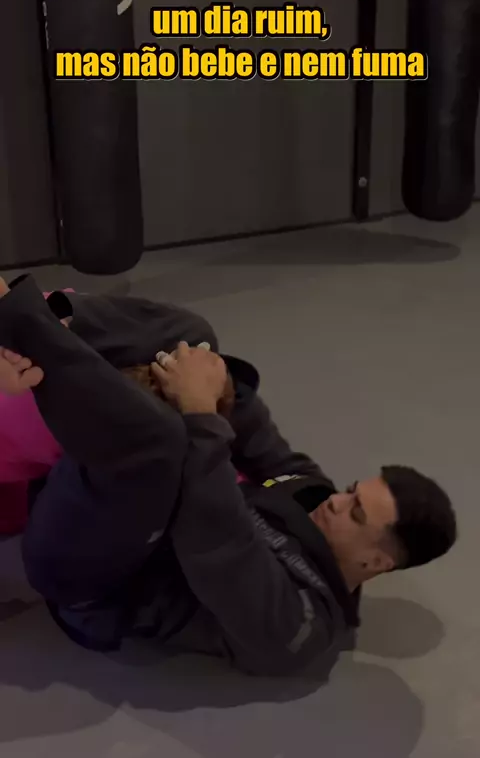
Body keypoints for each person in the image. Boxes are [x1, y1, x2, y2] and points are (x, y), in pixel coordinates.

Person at [0, 274, 457, 676]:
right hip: (116, 512)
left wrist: (201, 408)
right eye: (352, 491)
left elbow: (215, 538)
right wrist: (221, 385)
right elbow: (261, 440)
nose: (336, 500)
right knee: (195, 341)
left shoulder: (298, 626)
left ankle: (20, 319)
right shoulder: (315, 497)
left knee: (161, 442)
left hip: (92, 578)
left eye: (355, 513)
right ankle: (42, 318)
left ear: (376, 562)